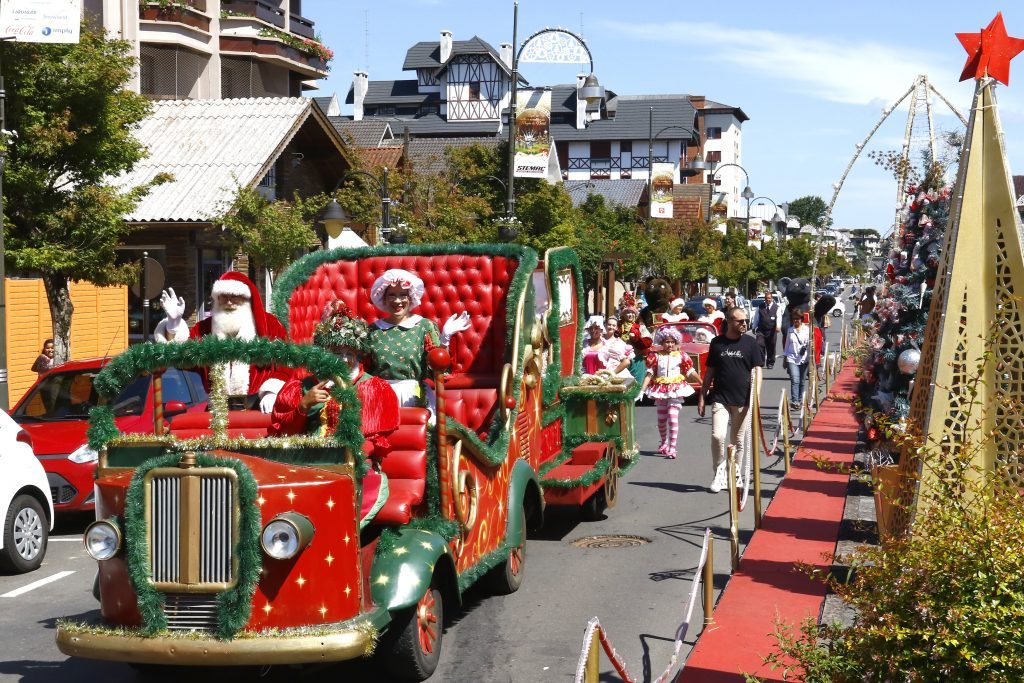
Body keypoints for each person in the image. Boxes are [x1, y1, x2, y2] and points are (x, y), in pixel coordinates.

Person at [271, 300, 399, 527]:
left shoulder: (374, 388)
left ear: (358, 355)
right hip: (306, 462)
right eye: (336, 352)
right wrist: (303, 406)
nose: (342, 359)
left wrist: (346, 457)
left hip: (356, 467)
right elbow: (281, 434)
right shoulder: (300, 388)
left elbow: (377, 441)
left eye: (349, 352)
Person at [155, 271, 290, 412]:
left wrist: (271, 392)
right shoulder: (205, 328)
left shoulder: (270, 325)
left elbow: (286, 363)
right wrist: (173, 325)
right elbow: (183, 358)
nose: (229, 302)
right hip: (218, 413)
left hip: (259, 409)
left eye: (234, 296)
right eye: (224, 297)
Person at [367, 268, 471, 416]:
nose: (397, 301)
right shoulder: (373, 331)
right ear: (384, 298)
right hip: (380, 398)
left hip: (415, 396)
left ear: (410, 298)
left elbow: (437, 370)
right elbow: (363, 371)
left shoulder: (424, 326)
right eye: (391, 295)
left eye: (403, 295)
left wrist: (444, 341)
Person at [697, 307, 763, 493]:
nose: (744, 324)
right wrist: (702, 396)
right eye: (740, 321)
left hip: (743, 400)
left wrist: (756, 397)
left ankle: (734, 473)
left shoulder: (750, 343)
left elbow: (758, 370)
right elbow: (710, 371)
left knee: (738, 441)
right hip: (721, 399)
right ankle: (719, 473)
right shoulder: (717, 343)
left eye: (745, 320)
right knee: (718, 436)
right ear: (729, 321)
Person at [641, 327, 702, 459]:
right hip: (661, 390)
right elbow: (649, 374)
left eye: (672, 342)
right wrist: (642, 390)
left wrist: (703, 383)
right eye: (667, 342)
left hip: (675, 389)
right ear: (662, 342)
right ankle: (664, 442)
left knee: (672, 417)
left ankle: (672, 447)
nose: (669, 344)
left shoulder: (681, 356)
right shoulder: (655, 356)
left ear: (676, 343)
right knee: (662, 420)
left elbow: (690, 371)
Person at [783, 309, 812, 418]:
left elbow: (810, 345)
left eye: (797, 319)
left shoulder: (807, 330)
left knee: (802, 381)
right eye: (794, 319)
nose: (796, 321)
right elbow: (786, 345)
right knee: (795, 379)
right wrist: (784, 359)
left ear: (801, 319)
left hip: (804, 359)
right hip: (791, 357)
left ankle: (800, 399)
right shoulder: (790, 330)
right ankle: (795, 401)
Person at [617, 294, 652, 379]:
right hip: (619, 361)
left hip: (636, 360)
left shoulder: (640, 327)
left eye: (632, 313)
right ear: (623, 315)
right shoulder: (618, 327)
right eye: (627, 313)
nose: (630, 315)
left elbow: (648, 342)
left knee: (637, 384)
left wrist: (636, 339)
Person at [751, 290, 781, 369]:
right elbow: (756, 318)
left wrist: (778, 326)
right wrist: (754, 327)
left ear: (772, 298)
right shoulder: (760, 307)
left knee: (771, 347)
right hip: (761, 330)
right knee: (759, 344)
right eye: (767, 298)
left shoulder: (776, 307)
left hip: (772, 331)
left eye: (770, 298)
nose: (768, 299)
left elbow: (779, 318)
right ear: (765, 298)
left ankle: (770, 362)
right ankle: (761, 361)